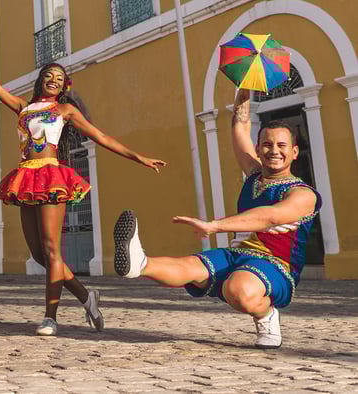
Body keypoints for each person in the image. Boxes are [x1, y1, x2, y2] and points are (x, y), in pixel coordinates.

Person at [0, 55, 166, 336]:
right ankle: (86, 297)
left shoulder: (65, 110)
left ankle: (50, 317)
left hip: (50, 178)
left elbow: (101, 137)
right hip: (26, 178)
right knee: (40, 255)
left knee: (52, 251)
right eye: (49, 75)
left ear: (63, 87)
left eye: (59, 79)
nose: (54, 80)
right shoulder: (23, 107)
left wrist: (139, 157)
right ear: (41, 79)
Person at [113, 89, 321, 349]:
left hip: (276, 267)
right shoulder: (254, 174)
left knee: (237, 289)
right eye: (267, 145)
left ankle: (267, 314)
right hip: (236, 256)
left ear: (294, 151)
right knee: (189, 268)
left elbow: (270, 217)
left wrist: (214, 226)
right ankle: (139, 264)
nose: (274, 151)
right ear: (258, 149)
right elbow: (240, 126)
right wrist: (243, 88)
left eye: (281, 146)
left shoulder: (302, 194)